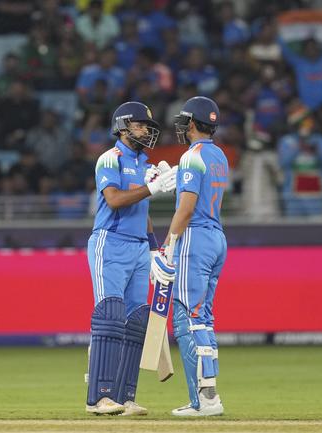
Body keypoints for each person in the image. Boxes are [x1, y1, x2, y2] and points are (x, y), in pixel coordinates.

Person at [85, 101, 177, 416]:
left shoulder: (143, 163)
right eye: (141, 125)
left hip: (139, 246)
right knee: (110, 316)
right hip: (109, 243)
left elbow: (142, 211)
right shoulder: (109, 159)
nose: (147, 131)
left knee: (137, 322)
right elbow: (113, 201)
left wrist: (153, 248)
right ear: (123, 127)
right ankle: (99, 397)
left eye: (150, 127)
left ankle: (124, 398)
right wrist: (151, 188)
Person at [149, 96, 228, 416]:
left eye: (184, 121)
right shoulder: (218, 155)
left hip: (194, 239)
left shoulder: (192, 155)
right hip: (217, 237)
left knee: (189, 319)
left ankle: (205, 399)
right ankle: (206, 396)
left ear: (192, 123)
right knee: (203, 316)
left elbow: (186, 207)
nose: (181, 127)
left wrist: (168, 244)